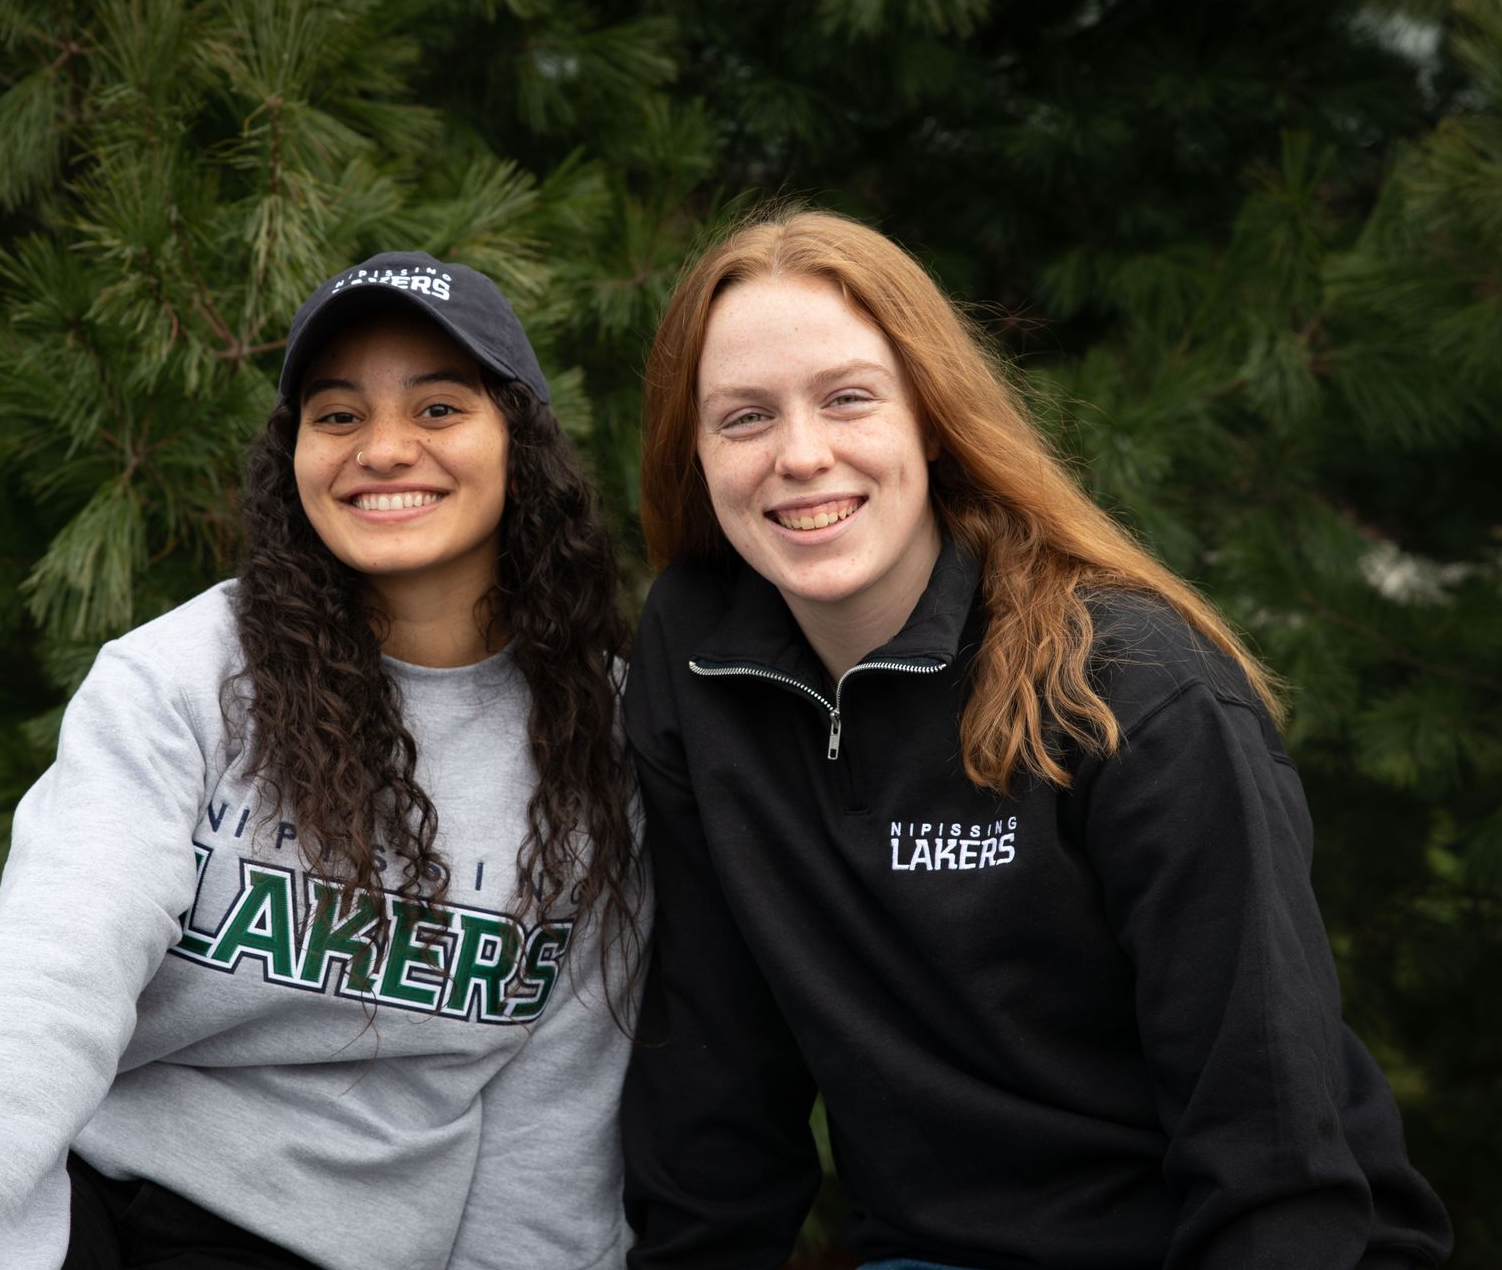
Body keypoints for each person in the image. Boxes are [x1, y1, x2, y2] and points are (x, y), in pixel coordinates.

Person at [618, 209, 1452, 1270]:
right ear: (692, 448)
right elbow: (715, 1090)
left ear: (929, 414)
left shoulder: (1132, 688)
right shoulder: (696, 654)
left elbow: (1269, 1137)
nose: (801, 454)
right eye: (743, 417)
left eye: (847, 398)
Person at [0, 252, 643, 1270]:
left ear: (520, 444)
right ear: (295, 452)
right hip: (80, 1193)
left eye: (439, 409)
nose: (384, 449)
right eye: (338, 414)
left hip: (322, 1242)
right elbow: (43, 998)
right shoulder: (177, 684)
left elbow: (555, 1118)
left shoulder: (599, 739)